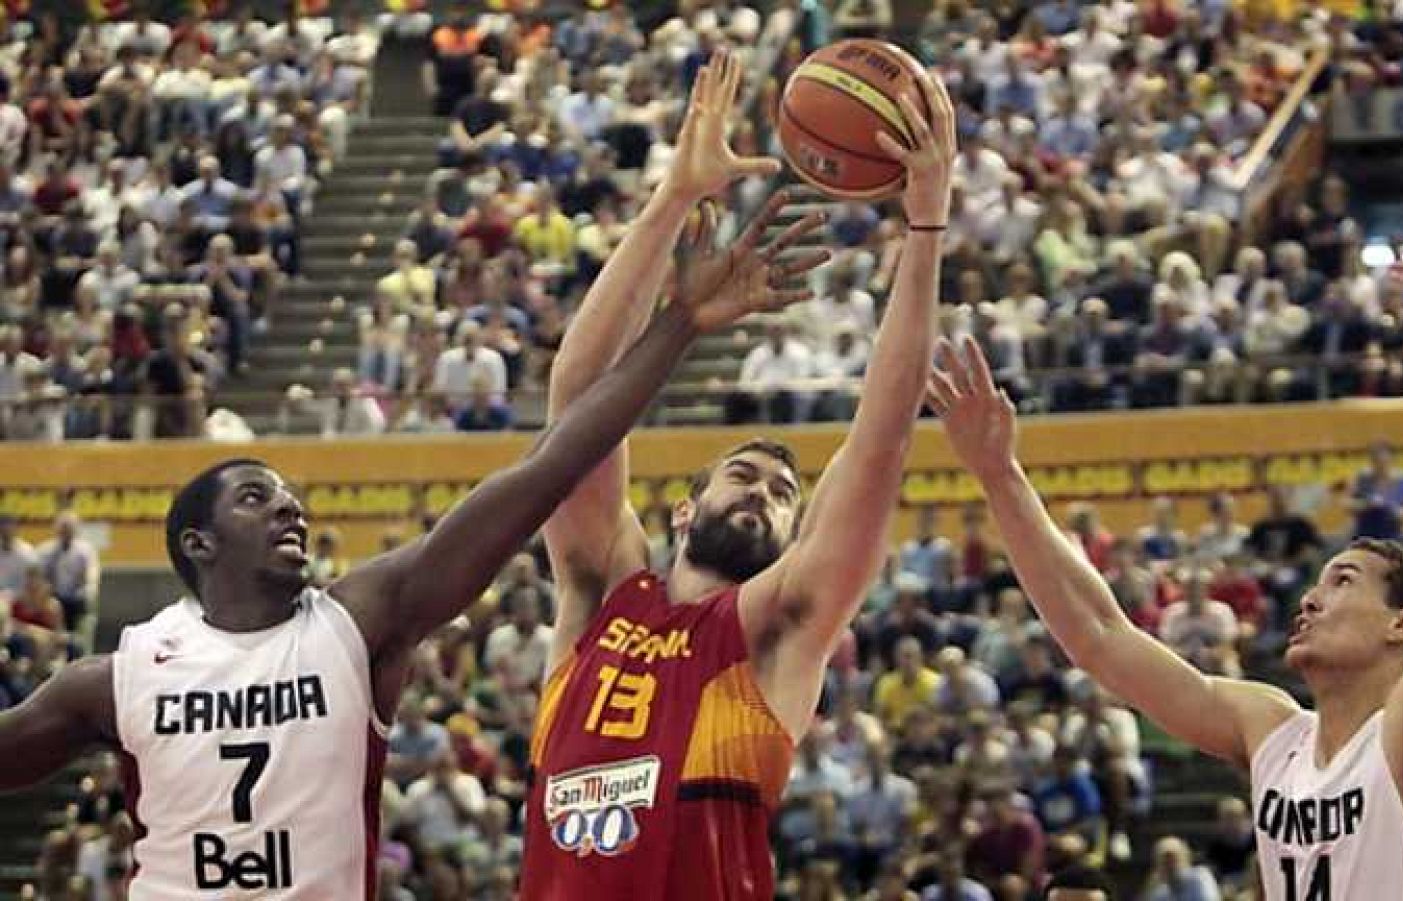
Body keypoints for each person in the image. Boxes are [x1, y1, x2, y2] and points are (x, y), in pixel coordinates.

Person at [0, 121, 815, 898]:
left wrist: (679, 321)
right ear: (197, 542)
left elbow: (554, 462)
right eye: (258, 498)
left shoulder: (358, 622)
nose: (292, 511)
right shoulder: (122, 676)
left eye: (292, 498)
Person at [928, 248, 1403, 901]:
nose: (1309, 598)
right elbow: (1099, 635)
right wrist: (1000, 477)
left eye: (1342, 580)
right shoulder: (1271, 728)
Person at [519, 52, 954, 900]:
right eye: (745, 476)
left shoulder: (781, 628)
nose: (763, 490)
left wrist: (927, 230)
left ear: (796, 539)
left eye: (785, 495)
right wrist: (673, 199)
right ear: (684, 510)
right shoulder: (599, 589)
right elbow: (577, 396)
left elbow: (879, 442)